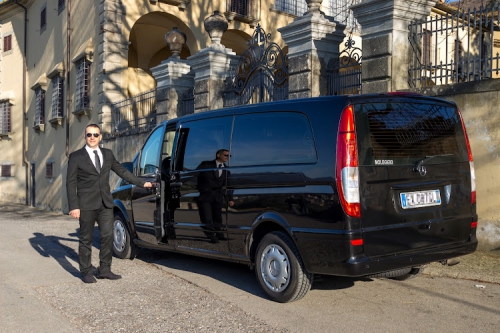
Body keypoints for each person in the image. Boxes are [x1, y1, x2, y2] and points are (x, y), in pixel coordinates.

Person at [66, 124, 152, 283]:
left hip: (105, 203)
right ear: (85, 137)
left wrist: (141, 183)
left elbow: (122, 171)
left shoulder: (107, 154)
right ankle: (85, 271)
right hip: (85, 204)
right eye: (89, 134)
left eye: (95, 135)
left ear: (100, 137)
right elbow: (71, 183)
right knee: (86, 239)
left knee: (107, 235)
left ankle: (104, 269)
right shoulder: (76, 156)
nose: (92, 137)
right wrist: (74, 206)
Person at [196, 149, 234, 243]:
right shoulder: (206, 165)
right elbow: (194, 175)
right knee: (207, 218)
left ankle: (219, 234)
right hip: (205, 196)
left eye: (229, 156)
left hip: (218, 197)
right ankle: (211, 236)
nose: (227, 157)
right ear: (218, 155)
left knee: (218, 217)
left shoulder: (226, 171)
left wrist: (230, 199)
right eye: (225, 155)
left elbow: (228, 185)